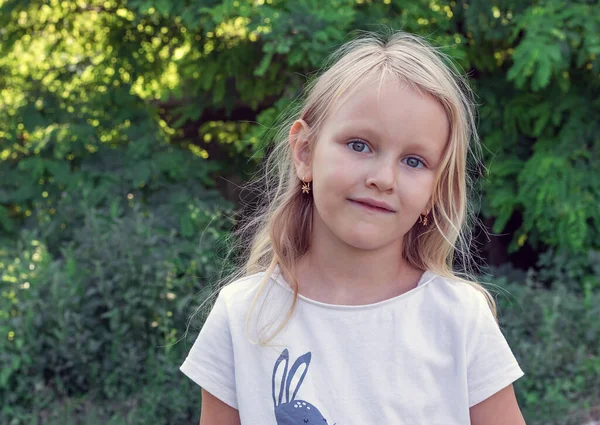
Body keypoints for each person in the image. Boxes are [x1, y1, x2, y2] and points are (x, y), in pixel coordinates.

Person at [180, 30, 526, 425]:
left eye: (414, 161)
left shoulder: (459, 319)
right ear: (305, 153)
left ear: (436, 191)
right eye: (360, 145)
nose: (384, 178)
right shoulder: (242, 314)